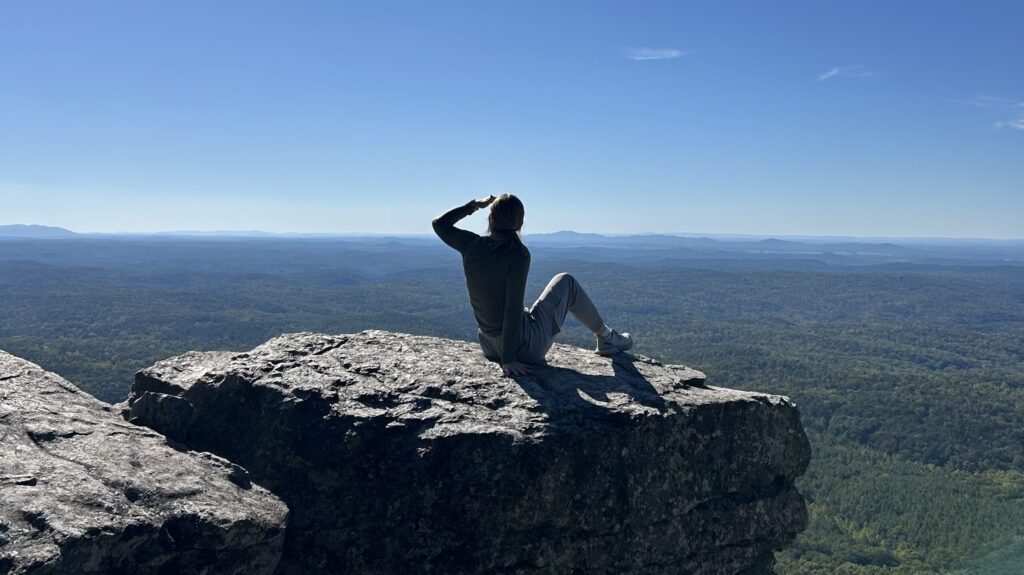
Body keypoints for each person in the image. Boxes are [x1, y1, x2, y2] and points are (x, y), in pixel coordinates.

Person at [432, 194, 633, 377]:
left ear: (491, 218)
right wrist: (508, 359)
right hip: (522, 348)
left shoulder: (471, 245)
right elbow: (511, 308)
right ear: (520, 224)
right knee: (566, 281)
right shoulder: (517, 254)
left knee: (526, 311)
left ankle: (605, 337)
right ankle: (606, 338)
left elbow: (439, 224)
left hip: (488, 345)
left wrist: (475, 205)